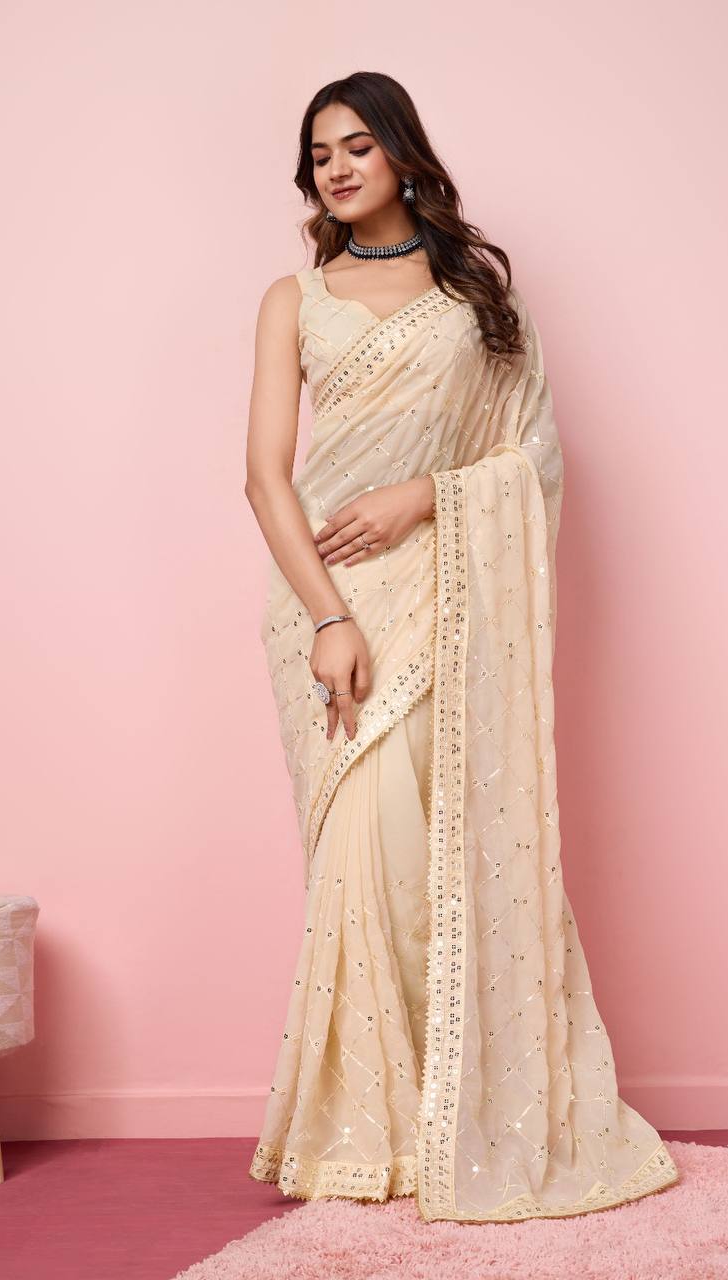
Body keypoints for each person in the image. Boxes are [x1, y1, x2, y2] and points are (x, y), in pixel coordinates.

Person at [242, 70, 680, 1224]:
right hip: (324, 604)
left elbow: (533, 455)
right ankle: (360, 1134)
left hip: (441, 594)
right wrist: (329, 615)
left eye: (356, 145)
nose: (337, 168)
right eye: (319, 154)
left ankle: (440, 1116)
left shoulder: (473, 294)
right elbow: (264, 479)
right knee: (358, 856)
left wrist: (423, 495)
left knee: (431, 861)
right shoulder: (294, 298)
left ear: (401, 152)